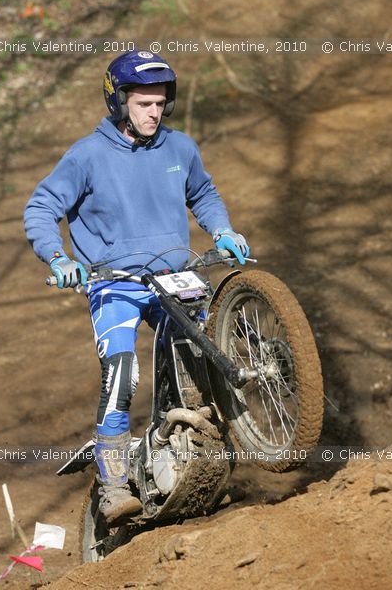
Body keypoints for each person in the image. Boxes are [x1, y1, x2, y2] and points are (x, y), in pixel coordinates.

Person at [24, 50, 250, 523]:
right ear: (119, 101)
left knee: (208, 353)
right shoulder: (87, 155)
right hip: (115, 282)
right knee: (122, 371)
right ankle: (112, 482)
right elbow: (41, 207)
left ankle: (204, 446)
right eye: (144, 103)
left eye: (160, 103)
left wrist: (223, 231)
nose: (154, 112)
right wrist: (60, 258)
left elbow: (203, 193)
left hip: (173, 276)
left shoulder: (180, 147)